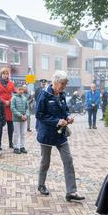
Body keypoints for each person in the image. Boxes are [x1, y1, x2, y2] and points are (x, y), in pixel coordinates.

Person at [35, 70, 85, 202]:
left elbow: (65, 109)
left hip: (61, 134)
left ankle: (71, 192)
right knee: (45, 162)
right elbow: (39, 115)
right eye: (62, 84)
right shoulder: (44, 95)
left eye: (65, 84)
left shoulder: (61, 95)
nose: (64, 87)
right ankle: (41, 185)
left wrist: (68, 117)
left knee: (68, 160)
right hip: (46, 134)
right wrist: (56, 121)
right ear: (56, 82)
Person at [0, 67, 16, 149]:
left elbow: (14, 93)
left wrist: (9, 101)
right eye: (4, 74)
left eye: (7, 74)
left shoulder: (11, 83)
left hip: (9, 107)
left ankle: (11, 143)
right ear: (1, 74)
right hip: (0, 106)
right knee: (0, 127)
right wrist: (4, 101)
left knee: (10, 126)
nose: (6, 75)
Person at [11, 84, 29, 154]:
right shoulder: (14, 98)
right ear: (16, 89)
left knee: (23, 133)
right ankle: (16, 147)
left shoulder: (25, 98)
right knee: (16, 133)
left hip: (24, 119)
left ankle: (22, 146)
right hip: (16, 119)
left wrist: (26, 115)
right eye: (19, 89)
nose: (21, 91)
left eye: (22, 89)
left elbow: (27, 108)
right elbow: (12, 108)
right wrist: (20, 115)